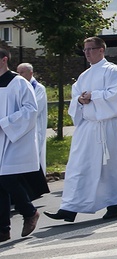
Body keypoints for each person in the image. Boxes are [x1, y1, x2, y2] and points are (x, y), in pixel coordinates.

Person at [45, 37, 117, 222]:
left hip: (108, 127)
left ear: (101, 50)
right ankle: (70, 207)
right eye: (85, 50)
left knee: (110, 168)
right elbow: (76, 97)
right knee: (79, 167)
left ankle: (114, 205)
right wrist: (80, 100)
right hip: (88, 128)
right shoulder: (84, 75)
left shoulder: (112, 70)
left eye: (90, 49)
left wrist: (93, 95)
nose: (87, 52)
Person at [0, 49, 41, 241]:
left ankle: (29, 212)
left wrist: (5, 123)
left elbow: (31, 110)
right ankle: (3, 229)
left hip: (13, 139)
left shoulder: (19, 83)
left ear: (4, 60)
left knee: (7, 179)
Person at [16, 63, 47, 174]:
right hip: (22, 126)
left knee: (35, 155)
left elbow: (35, 109)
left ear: (31, 73)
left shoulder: (38, 88)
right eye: (18, 72)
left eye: (22, 72)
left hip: (35, 126)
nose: (19, 75)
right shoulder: (19, 87)